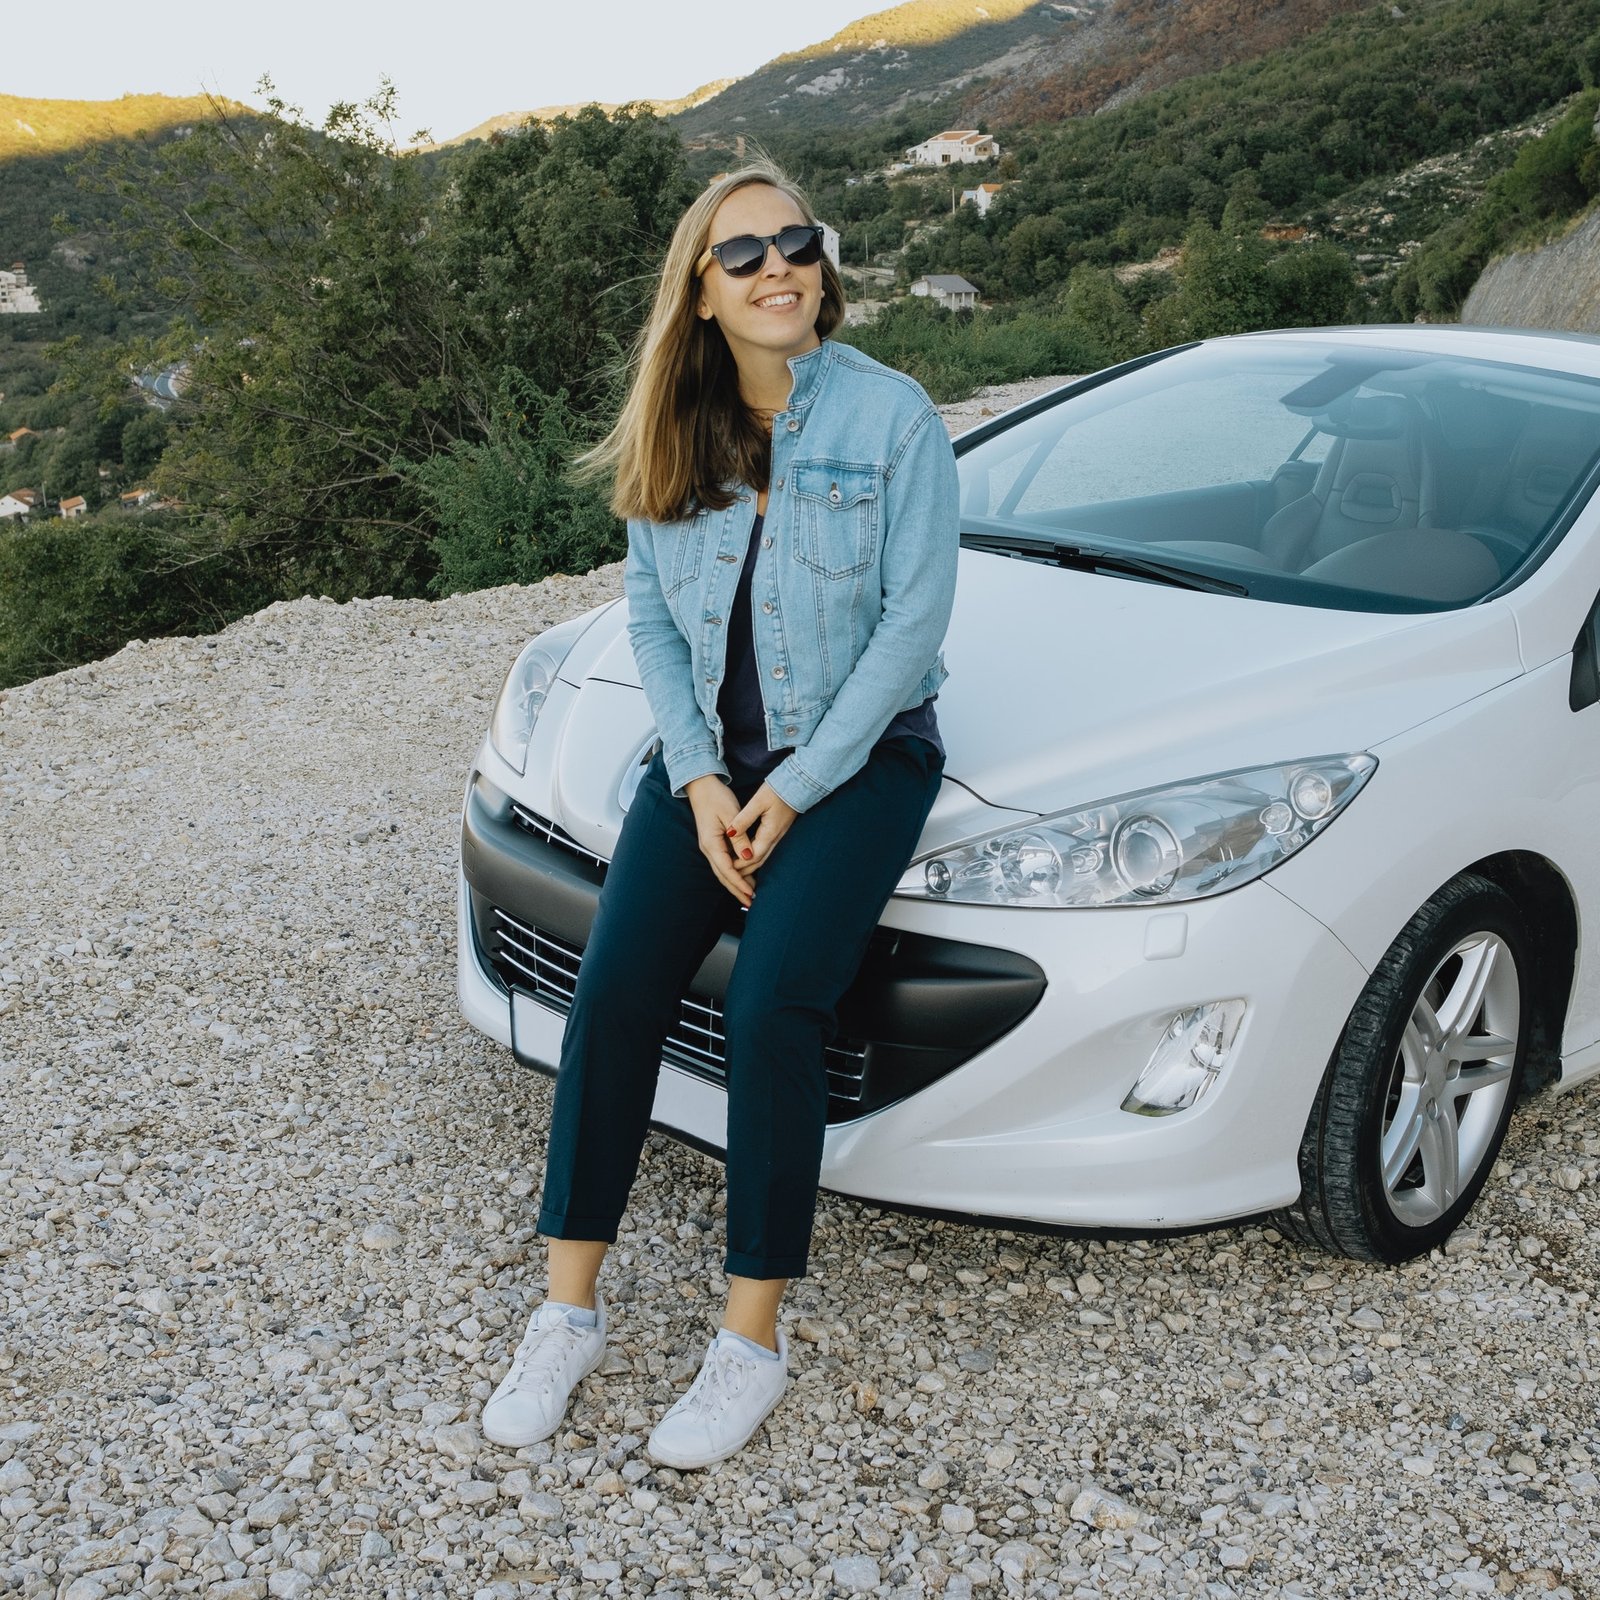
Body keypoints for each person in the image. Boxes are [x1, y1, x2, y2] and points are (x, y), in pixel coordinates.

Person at [480, 159, 960, 1469]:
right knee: (616, 993)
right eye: (741, 254)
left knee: (769, 1008)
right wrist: (698, 782)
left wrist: (793, 791)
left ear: (823, 261)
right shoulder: (677, 422)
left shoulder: (894, 419)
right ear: (701, 289)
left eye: (793, 242)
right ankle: (566, 1313)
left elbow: (913, 625)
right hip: (703, 766)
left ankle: (751, 1340)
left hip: (856, 764)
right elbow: (647, 611)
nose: (775, 269)